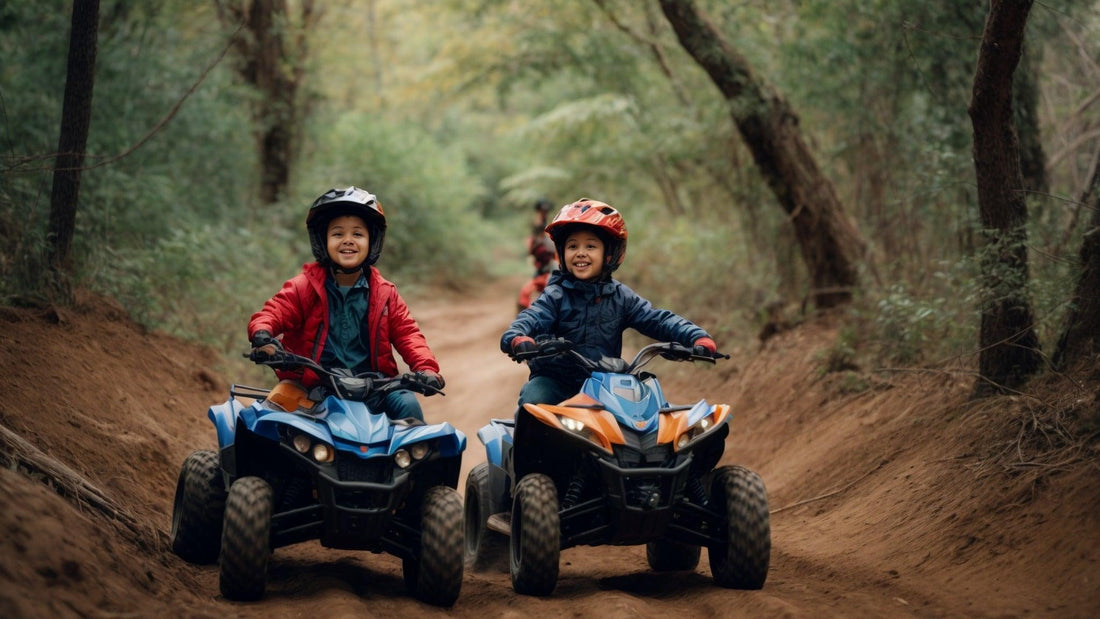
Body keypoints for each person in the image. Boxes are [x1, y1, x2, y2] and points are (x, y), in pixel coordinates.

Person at [501, 197, 717, 411]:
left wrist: (696, 336)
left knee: (649, 412)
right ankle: (524, 446)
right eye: (572, 245)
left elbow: (657, 319)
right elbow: (531, 317)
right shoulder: (555, 295)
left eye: (591, 246)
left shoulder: (621, 296)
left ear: (609, 255)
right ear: (562, 252)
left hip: (606, 384)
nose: (580, 252)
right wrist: (518, 337)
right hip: (556, 381)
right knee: (533, 401)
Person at [248, 186, 444, 422]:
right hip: (312, 384)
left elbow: (408, 334)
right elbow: (275, 311)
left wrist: (426, 369)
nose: (348, 241)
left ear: (372, 241)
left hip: (376, 386)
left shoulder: (385, 293)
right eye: (338, 234)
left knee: (408, 407)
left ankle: (412, 460)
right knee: (269, 419)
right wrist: (262, 334)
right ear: (323, 241)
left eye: (358, 234)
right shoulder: (304, 287)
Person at [517, 198, 557, 311]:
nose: (544, 211)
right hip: (541, 269)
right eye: (542, 209)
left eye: (545, 210)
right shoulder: (537, 232)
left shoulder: (549, 234)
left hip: (552, 268)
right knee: (524, 293)